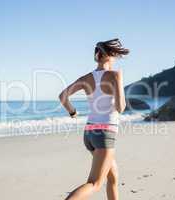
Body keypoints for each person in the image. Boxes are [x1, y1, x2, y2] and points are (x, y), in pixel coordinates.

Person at [59, 38, 129, 200]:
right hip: (105, 133)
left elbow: (63, 96)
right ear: (109, 56)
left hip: (89, 134)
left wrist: (73, 112)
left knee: (113, 177)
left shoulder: (85, 78)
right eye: (115, 56)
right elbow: (121, 108)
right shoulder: (115, 75)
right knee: (95, 183)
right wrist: (119, 80)